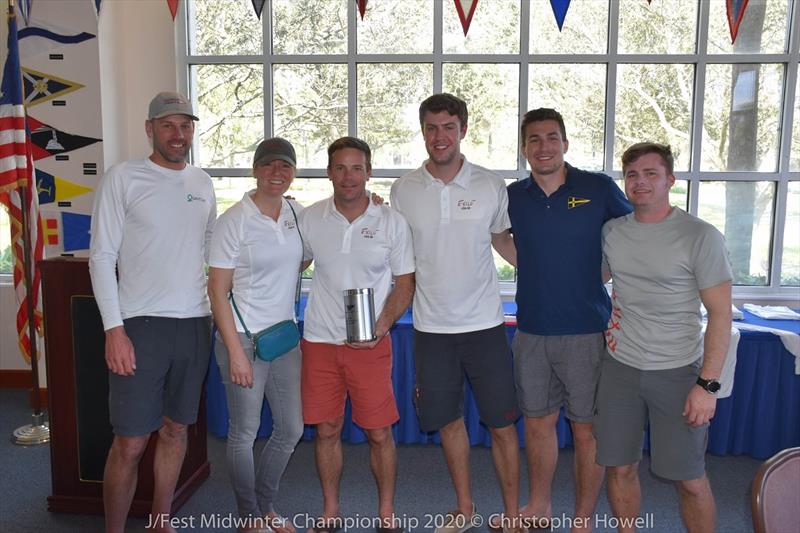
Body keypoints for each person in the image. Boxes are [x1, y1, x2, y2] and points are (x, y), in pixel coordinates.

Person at [390, 93, 521, 533]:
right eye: (431, 128)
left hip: (485, 326)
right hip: (432, 328)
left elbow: (504, 240)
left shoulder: (489, 184)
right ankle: (464, 508)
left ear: (463, 129)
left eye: (448, 127)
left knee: (503, 426)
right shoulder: (404, 189)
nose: (439, 136)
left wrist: (555, 269)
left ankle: (512, 514)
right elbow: (395, 250)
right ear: (423, 131)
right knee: (448, 423)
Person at [89, 91, 216, 533]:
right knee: (130, 442)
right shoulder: (123, 178)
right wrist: (114, 330)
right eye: (167, 125)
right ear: (150, 129)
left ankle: (161, 522)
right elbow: (101, 256)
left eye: (185, 125)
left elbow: (211, 249)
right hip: (139, 326)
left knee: (176, 430)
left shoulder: (203, 183)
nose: (177, 135)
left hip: (196, 323)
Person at [596, 142, 733, 532]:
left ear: (670, 180)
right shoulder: (613, 233)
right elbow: (589, 279)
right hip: (619, 367)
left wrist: (706, 385)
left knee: (689, 480)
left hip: (677, 372)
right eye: (633, 174)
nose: (640, 182)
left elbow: (720, 314)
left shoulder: (700, 236)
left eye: (651, 174)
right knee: (620, 467)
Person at [505, 108, 631, 531]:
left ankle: (583, 516)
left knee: (585, 431)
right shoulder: (513, 196)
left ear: (565, 143)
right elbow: (494, 233)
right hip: (532, 331)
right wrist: (529, 264)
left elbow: (633, 230)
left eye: (552, 137)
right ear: (524, 149)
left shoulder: (597, 188)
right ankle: (539, 504)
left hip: (586, 331)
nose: (544, 146)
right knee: (538, 425)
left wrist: (605, 271)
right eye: (535, 139)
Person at [299, 137, 415, 533]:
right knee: (327, 429)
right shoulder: (310, 218)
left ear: (369, 171)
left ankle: (386, 512)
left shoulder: (391, 222)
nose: (349, 177)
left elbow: (405, 282)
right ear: (329, 172)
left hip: (371, 345)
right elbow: (288, 262)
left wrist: (381, 327)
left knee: (379, 432)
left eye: (356, 168)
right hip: (319, 343)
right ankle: (331, 510)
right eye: (340, 168)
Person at [207, 138, 305, 533]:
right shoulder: (234, 220)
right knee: (244, 433)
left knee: (291, 429)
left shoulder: (295, 213)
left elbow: (305, 253)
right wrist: (235, 353)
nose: (276, 173)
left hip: (284, 337)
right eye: (268, 166)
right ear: (255, 169)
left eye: (284, 166)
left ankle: (265, 507)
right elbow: (217, 290)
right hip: (243, 340)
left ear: (293, 171)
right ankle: (249, 517)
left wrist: (376, 203)